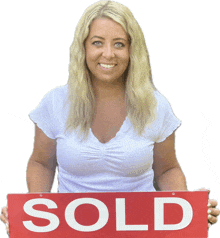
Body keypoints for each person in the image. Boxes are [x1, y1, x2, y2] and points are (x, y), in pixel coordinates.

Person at [1, 0, 219, 235]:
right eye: (97, 43)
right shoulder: (55, 102)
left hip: (140, 230)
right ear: (83, 47)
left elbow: (167, 170)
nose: (108, 54)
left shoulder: (155, 105)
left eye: (119, 44)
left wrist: (187, 209)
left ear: (132, 50)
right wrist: (33, 211)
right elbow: (42, 162)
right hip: (72, 231)